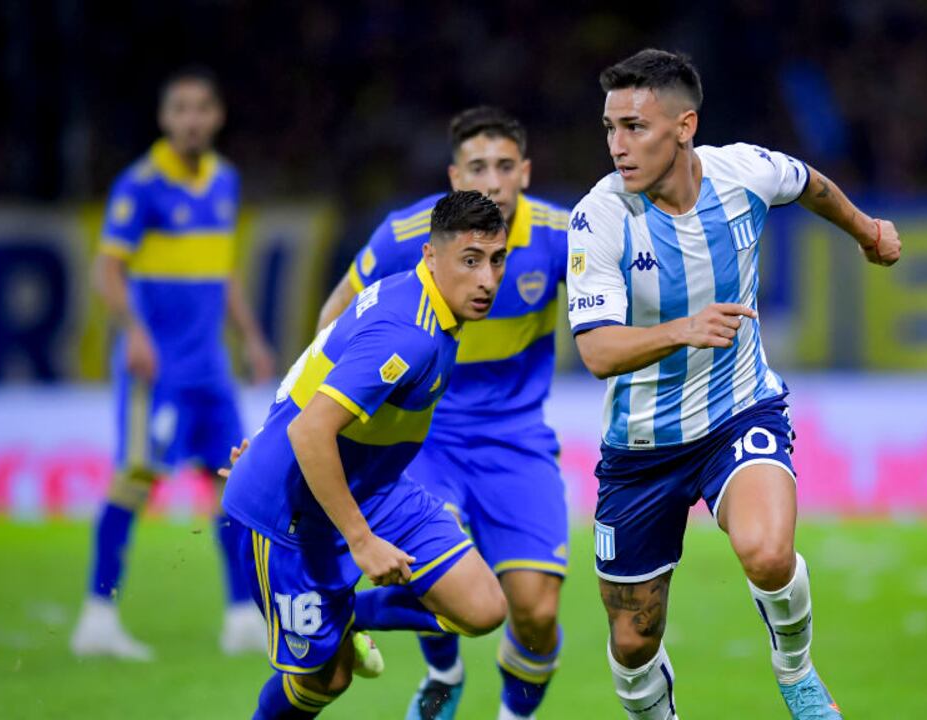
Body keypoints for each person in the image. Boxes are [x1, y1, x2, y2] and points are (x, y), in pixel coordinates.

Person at [566, 49, 902, 719]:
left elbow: (807, 183)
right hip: (641, 450)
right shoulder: (598, 218)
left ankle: (797, 673)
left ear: (685, 126)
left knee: (769, 553)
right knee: (634, 643)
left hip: (737, 410)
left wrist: (866, 231)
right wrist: (681, 329)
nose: (618, 147)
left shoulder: (741, 172)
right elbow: (598, 352)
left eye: (635, 127)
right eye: (610, 128)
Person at [317, 106, 570, 720]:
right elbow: (332, 322)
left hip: (517, 439)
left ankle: (514, 714)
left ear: (526, 173)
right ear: (455, 175)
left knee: (535, 611)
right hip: (424, 439)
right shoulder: (408, 236)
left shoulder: (563, 234)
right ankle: (443, 671)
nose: (491, 180)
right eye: (477, 167)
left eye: (505, 166)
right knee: (434, 575)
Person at [221, 191, 510, 719]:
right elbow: (311, 432)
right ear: (430, 255)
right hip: (290, 513)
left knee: (484, 607)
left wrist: (266, 430)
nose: (487, 279)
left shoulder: (416, 300)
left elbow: (315, 364)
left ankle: (347, 616)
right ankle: (335, 627)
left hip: (373, 486)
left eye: (496, 260)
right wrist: (363, 543)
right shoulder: (409, 335)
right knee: (326, 680)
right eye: (470, 261)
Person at [71, 65, 276, 660]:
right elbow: (104, 269)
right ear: (165, 119)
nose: (191, 120)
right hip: (155, 367)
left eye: (201, 108)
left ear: (216, 117)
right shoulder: (141, 185)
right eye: (180, 109)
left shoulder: (225, 181)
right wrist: (134, 332)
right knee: (135, 479)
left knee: (231, 484)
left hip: (209, 367)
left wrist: (253, 337)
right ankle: (97, 615)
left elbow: (223, 268)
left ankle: (243, 615)